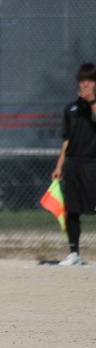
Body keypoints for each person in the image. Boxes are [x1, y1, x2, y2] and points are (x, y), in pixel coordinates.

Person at [52, 62, 96, 265]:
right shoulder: (71, 109)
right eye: (82, 81)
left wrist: (92, 103)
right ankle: (74, 252)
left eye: (89, 81)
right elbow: (66, 140)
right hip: (74, 164)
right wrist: (59, 165)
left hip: (92, 164)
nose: (84, 85)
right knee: (72, 209)